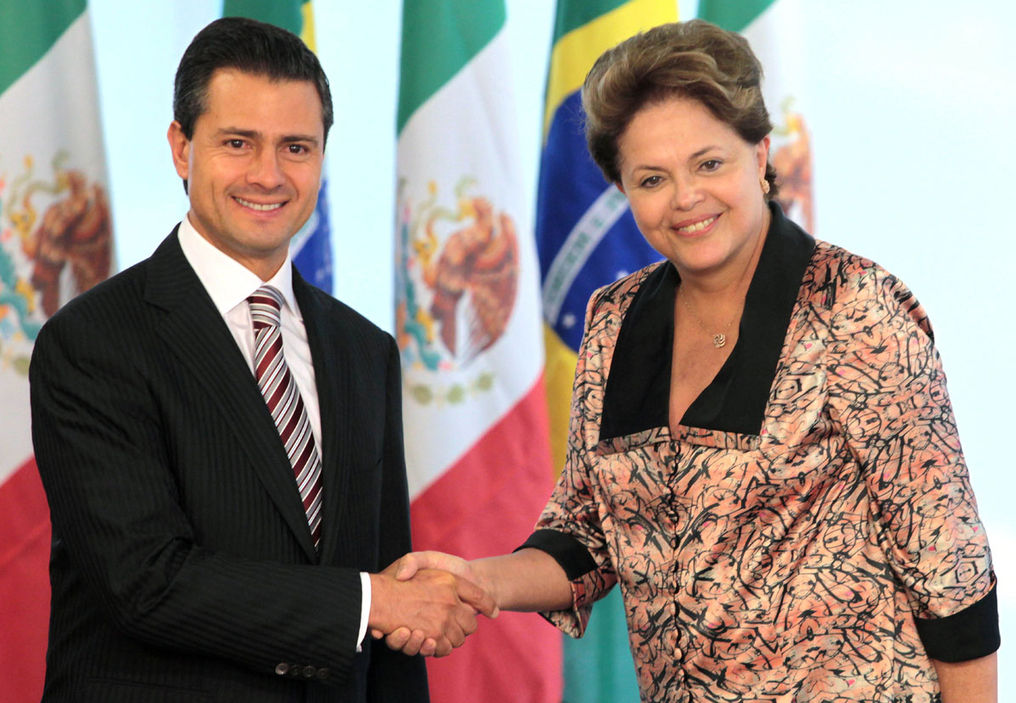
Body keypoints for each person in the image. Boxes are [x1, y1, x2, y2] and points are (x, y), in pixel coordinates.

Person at [384, 19, 1000, 703]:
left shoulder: (853, 305)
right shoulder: (614, 319)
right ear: (624, 189)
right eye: (652, 178)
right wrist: (478, 581)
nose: (685, 198)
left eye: (709, 164)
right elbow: (586, 532)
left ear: (761, 155)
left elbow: (948, 564)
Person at [29, 17, 494, 703]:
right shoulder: (93, 341)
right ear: (181, 148)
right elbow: (144, 582)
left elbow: (391, 600)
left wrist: (387, 603)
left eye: (295, 147)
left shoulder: (365, 351)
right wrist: (371, 602)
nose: (268, 175)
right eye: (238, 143)